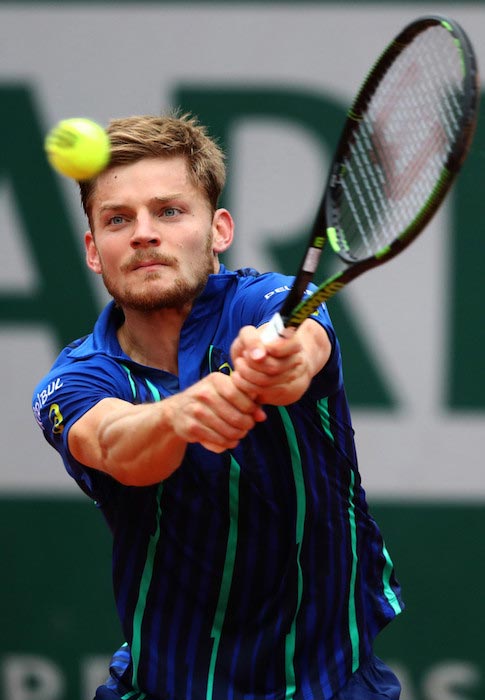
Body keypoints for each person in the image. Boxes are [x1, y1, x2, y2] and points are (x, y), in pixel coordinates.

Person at [32, 112, 404, 700]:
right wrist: (178, 416)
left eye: (170, 211)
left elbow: (301, 348)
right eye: (118, 219)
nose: (144, 233)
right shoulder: (76, 378)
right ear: (93, 250)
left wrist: (277, 361)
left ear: (219, 230)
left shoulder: (268, 300)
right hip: (166, 686)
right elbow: (112, 445)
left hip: (333, 682)